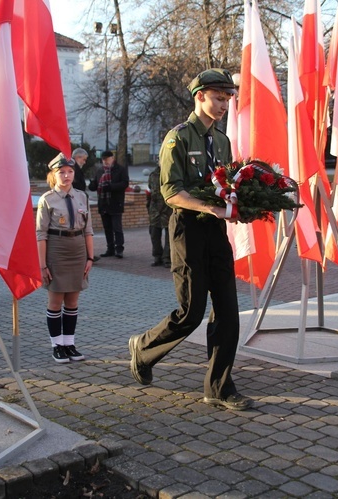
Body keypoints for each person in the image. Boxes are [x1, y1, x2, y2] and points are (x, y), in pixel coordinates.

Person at [127, 68, 252, 411]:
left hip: (216, 231)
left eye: (227, 99)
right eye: (218, 98)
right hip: (187, 231)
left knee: (228, 309)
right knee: (192, 312)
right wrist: (209, 208)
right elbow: (171, 192)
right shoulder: (178, 137)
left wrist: (238, 206)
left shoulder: (223, 142)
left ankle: (219, 387)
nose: (224, 104)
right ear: (199, 96)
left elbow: (227, 188)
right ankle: (143, 347)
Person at [37, 153, 95, 363]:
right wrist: (43, 265)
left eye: (70, 171)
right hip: (57, 250)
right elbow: (41, 234)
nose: (67, 175)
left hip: (78, 250)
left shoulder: (82, 196)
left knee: (72, 300)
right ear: (54, 175)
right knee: (55, 300)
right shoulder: (47, 199)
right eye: (62, 172)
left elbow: (88, 229)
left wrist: (90, 257)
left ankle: (69, 344)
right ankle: (57, 346)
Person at [88, 150, 129, 258]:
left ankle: (119, 249)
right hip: (103, 203)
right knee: (107, 228)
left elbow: (125, 183)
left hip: (115, 202)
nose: (105, 161)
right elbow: (96, 185)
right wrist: (92, 185)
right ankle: (110, 249)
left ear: (112, 158)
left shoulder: (120, 169)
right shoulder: (100, 171)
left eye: (107, 159)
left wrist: (111, 186)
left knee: (117, 228)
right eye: (103, 159)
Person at [146, 166, 171, 268]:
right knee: (154, 234)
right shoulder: (153, 175)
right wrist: (149, 207)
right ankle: (157, 256)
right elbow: (149, 192)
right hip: (154, 210)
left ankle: (167, 258)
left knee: (169, 236)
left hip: (168, 208)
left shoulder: (170, 173)